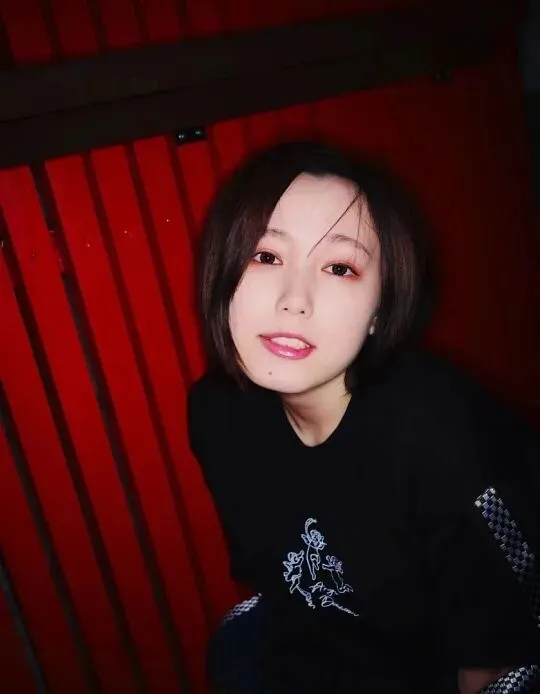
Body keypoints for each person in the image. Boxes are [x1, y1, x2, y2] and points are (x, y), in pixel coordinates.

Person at [187, 141, 540, 694]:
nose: (294, 300)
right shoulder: (218, 416)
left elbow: (496, 656)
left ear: (380, 309)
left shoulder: (439, 436)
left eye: (339, 267)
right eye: (266, 256)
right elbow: (284, 592)